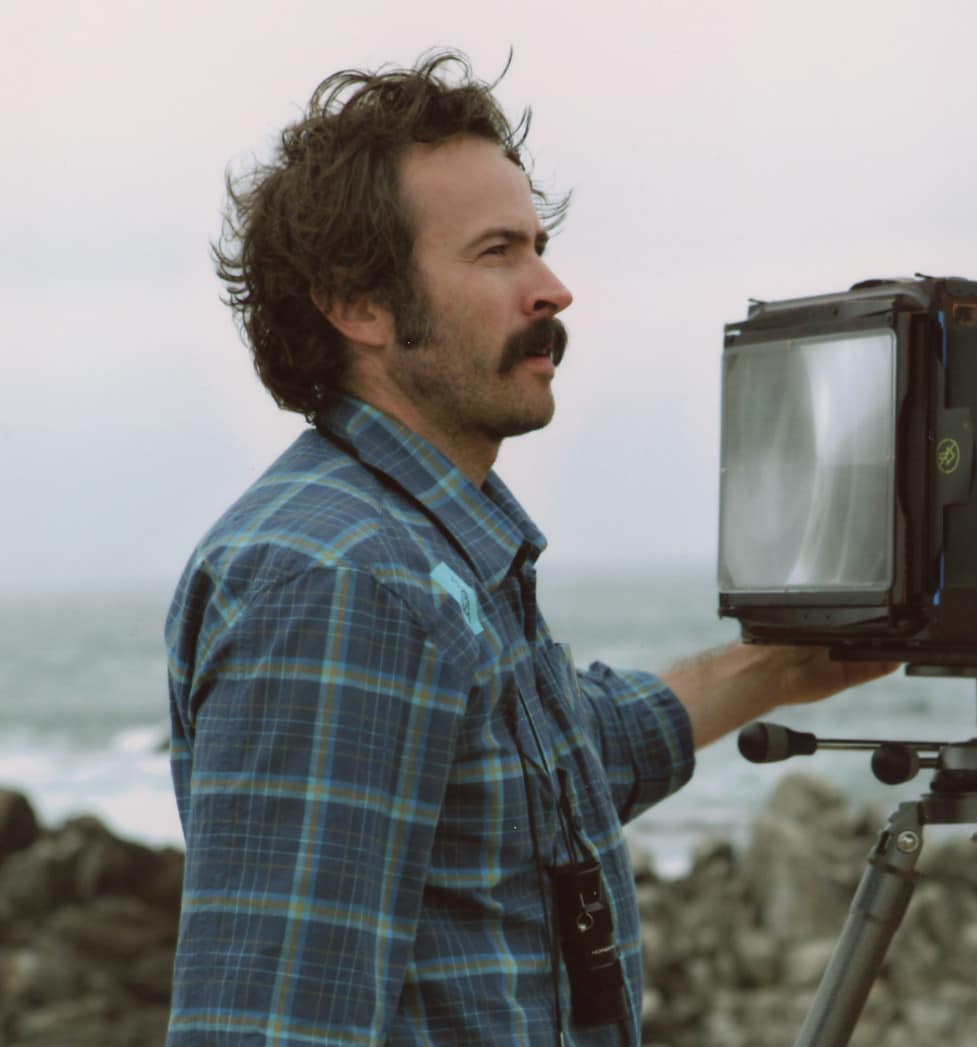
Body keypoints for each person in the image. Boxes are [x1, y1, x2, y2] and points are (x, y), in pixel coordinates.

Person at [165, 50, 893, 1045]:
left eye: (539, 246)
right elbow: (274, 1026)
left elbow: (525, 778)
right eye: (497, 252)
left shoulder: (416, 545)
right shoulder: (342, 581)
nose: (552, 289)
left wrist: (771, 668)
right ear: (359, 306)